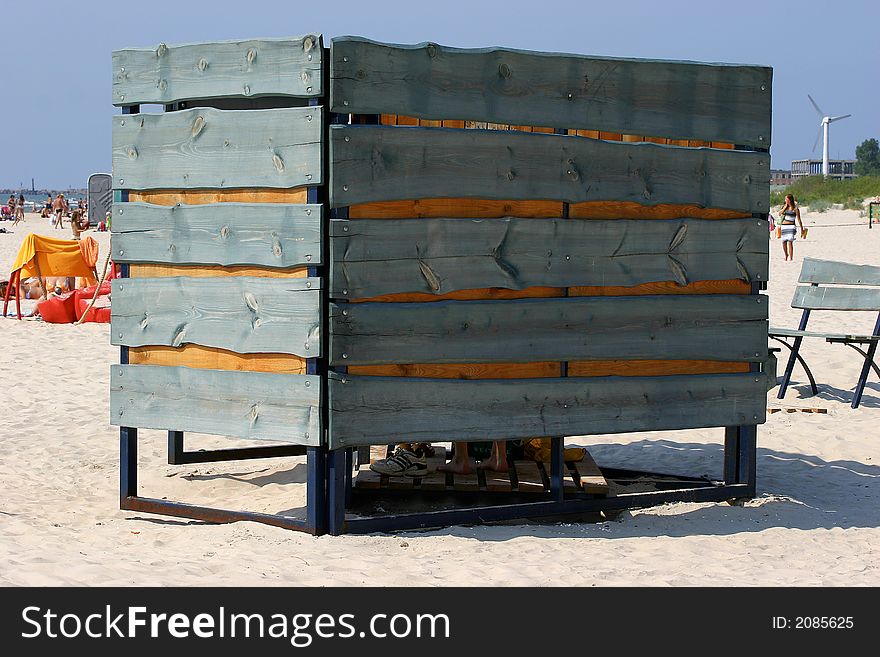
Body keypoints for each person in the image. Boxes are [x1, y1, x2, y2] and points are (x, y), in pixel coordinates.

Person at [777, 193, 805, 261]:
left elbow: (799, 219)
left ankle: (791, 258)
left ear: (790, 200)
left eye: (786, 199)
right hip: (784, 226)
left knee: (790, 242)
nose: (785, 200)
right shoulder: (784, 207)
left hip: (791, 226)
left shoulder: (795, 209)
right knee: (783, 242)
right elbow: (779, 213)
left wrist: (802, 229)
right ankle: (786, 255)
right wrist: (785, 207)